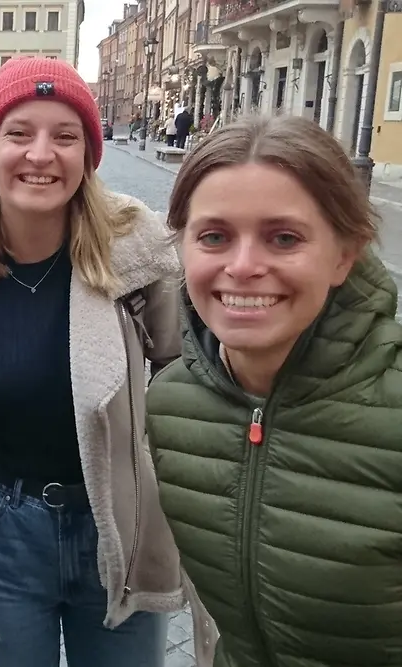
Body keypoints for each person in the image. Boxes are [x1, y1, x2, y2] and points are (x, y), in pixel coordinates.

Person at [0, 57, 196, 667]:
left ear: (89, 157)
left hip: (115, 522)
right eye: (19, 133)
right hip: (0, 532)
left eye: (66, 136)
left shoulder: (137, 253)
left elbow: (186, 374)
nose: (42, 154)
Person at [146, 114, 401, 665]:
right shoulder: (171, 403)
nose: (242, 267)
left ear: (344, 254)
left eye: (283, 238)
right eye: (214, 236)